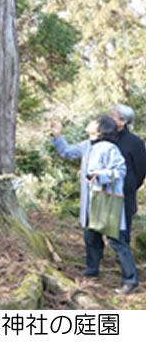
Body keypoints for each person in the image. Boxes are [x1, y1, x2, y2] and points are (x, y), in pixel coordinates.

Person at [51, 116, 139, 294]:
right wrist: (58, 135)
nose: (89, 122)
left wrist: (100, 175)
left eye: (94, 121)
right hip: (91, 202)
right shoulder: (86, 145)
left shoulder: (109, 148)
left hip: (106, 201)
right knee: (91, 236)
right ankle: (92, 270)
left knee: (116, 240)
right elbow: (67, 152)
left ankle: (131, 280)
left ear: (100, 129)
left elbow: (120, 170)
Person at [109, 104, 146, 245]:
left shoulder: (135, 142)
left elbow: (141, 170)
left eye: (113, 116)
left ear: (123, 121)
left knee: (123, 231)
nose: (110, 118)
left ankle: (125, 262)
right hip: (105, 191)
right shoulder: (106, 138)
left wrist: (129, 186)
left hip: (125, 192)